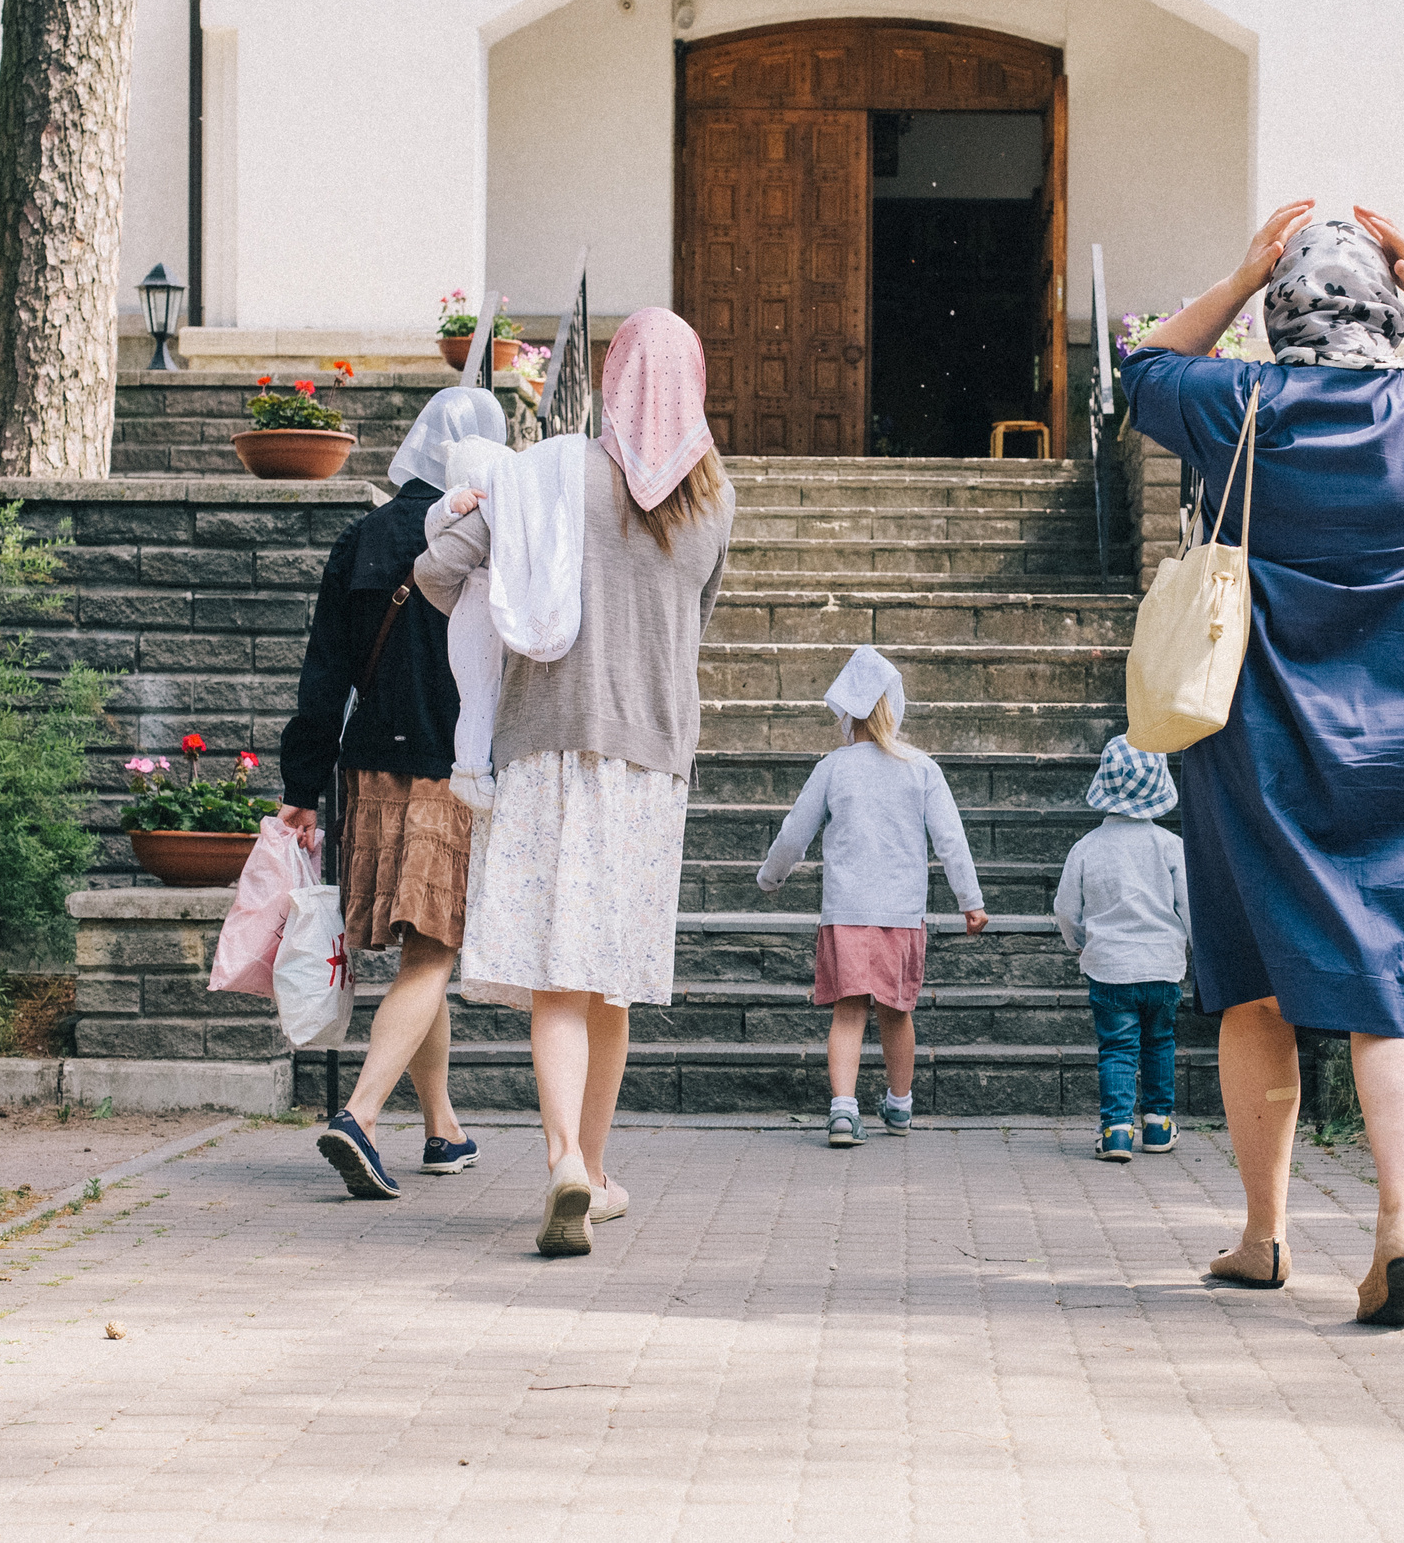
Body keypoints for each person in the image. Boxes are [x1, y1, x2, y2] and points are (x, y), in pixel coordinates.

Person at [1120, 201, 1404, 1329]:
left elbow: (1141, 365)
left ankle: (1263, 1236)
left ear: (1281, 310)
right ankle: (1402, 1222)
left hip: (1256, 740)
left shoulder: (1234, 403)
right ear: (1387, 312)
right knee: (1397, 984)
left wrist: (1238, 272)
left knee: (1254, 981)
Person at [415, 308, 734, 1257]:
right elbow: (698, 624)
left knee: (558, 968)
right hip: (651, 760)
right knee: (613, 979)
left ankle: (560, 1161)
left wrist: (485, 530)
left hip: (548, 744)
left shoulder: (545, 477)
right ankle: (593, 1172)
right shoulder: (715, 503)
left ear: (611, 376)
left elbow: (436, 573)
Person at [286, 387, 510, 1201]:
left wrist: (300, 785)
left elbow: (323, 674)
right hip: (448, 773)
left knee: (423, 951)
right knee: (437, 949)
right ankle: (361, 1115)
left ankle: (442, 1128)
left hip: (366, 773)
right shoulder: (486, 535)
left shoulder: (361, 537)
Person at [754, 647, 988, 1146]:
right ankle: (899, 1107)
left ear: (846, 714)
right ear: (894, 708)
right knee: (897, 1012)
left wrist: (771, 877)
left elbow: (795, 832)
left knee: (848, 1012)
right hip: (901, 915)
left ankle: (843, 1111)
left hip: (846, 912)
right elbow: (951, 839)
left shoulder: (833, 768)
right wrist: (970, 900)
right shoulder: (921, 768)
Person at [1053, 737, 1190, 1164]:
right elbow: (1189, 904)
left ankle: (1115, 1131)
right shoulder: (1169, 846)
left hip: (1110, 966)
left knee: (1117, 1048)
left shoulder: (1087, 848)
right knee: (1160, 1042)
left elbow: (1065, 909)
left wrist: (1078, 942)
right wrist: (1189, 943)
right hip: (1162, 965)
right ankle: (1158, 1124)